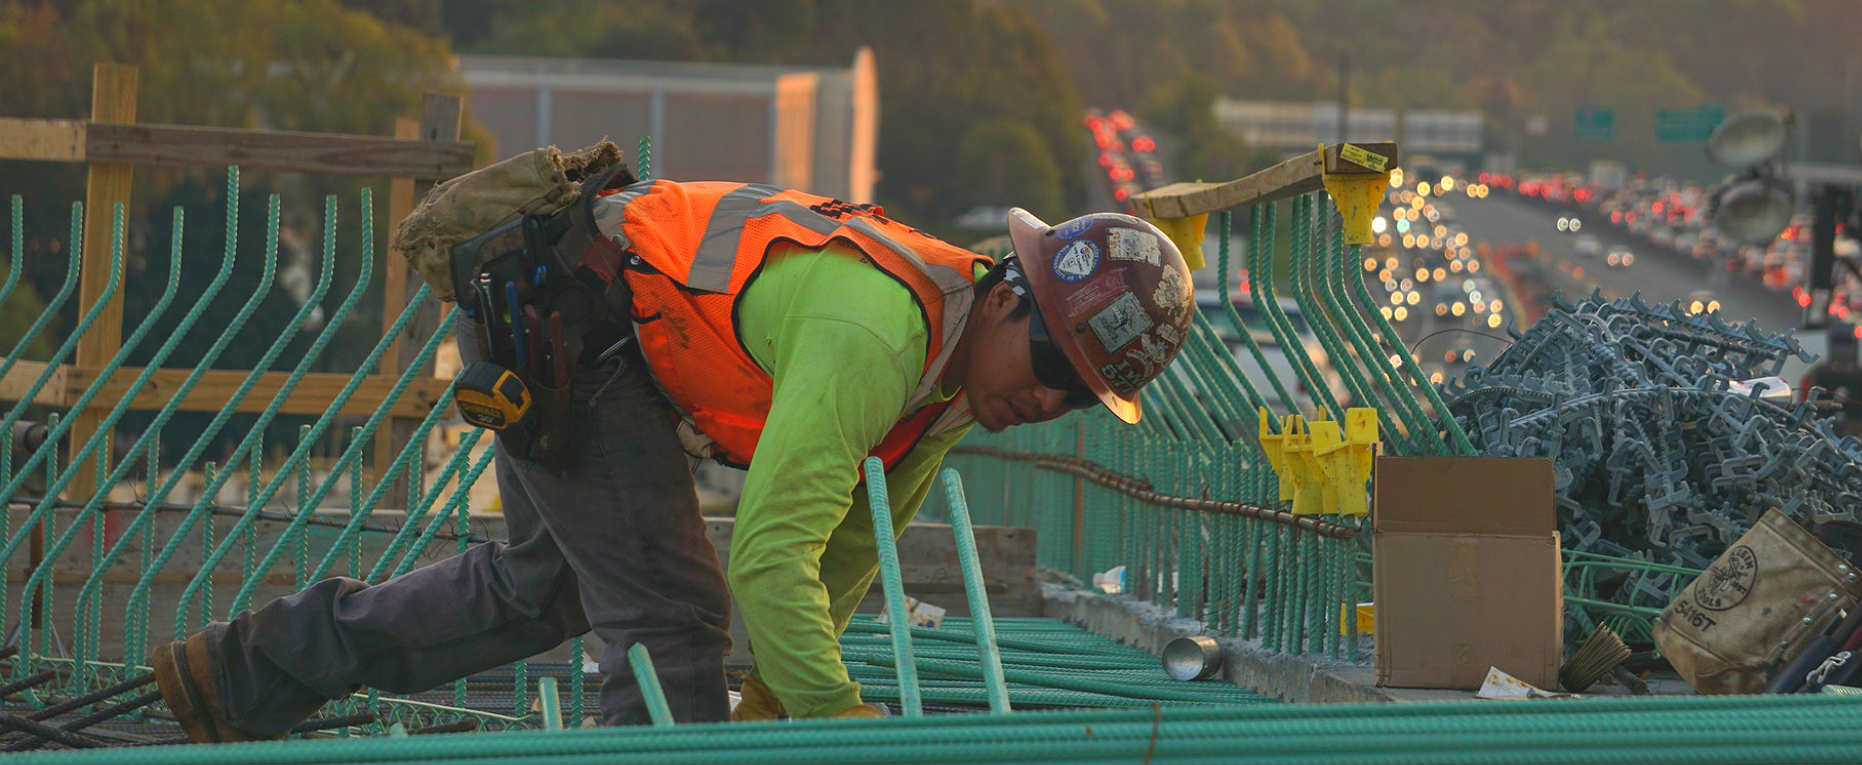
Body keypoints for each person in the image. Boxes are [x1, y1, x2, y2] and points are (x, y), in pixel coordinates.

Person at [150, 162, 1194, 740]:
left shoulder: (953, 391)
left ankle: (241, 672)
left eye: (1079, 399)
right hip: (570, 318)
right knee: (671, 620)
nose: (1047, 400)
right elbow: (767, 558)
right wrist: (848, 729)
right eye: (1052, 363)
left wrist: (774, 719)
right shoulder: (881, 338)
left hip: (603, 335)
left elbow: (836, 566)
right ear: (1009, 289)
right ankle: (253, 668)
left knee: (542, 592)